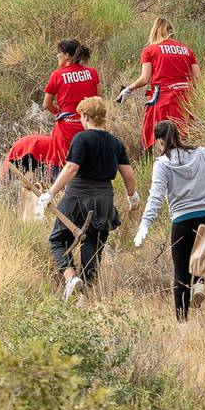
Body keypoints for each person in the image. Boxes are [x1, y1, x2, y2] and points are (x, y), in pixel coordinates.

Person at [133, 119, 205, 321]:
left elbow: (156, 196)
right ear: (179, 136)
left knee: (181, 272)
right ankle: (199, 283)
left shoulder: (162, 164)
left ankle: (182, 321)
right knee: (203, 255)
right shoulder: (202, 153)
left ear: (159, 143)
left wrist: (145, 224)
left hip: (183, 219)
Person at [37, 96, 141, 300]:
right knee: (93, 246)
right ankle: (88, 293)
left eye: (81, 116)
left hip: (78, 196)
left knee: (58, 240)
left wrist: (50, 193)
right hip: (103, 200)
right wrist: (132, 197)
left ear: (85, 116)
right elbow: (128, 174)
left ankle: (71, 278)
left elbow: (71, 168)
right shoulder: (115, 142)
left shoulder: (81, 139)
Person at [124, 17, 200, 152]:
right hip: (187, 100)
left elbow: (145, 78)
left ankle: (154, 169)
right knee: (186, 138)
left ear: (155, 31)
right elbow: (198, 79)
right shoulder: (187, 50)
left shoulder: (150, 50)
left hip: (163, 100)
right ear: (171, 31)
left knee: (154, 138)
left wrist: (129, 89)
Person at [41, 39, 99, 166]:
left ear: (67, 55)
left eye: (59, 53)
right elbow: (99, 99)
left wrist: (60, 113)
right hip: (89, 125)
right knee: (88, 163)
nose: (57, 56)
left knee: (62, 164)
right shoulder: (92, 72)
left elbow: (46, 104)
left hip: (67, 128)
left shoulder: (57, 75)